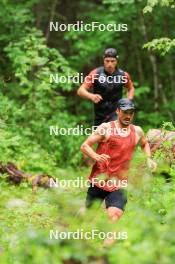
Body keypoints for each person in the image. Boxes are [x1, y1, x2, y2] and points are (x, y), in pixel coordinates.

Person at [80, 98, 157, 245]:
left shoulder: (137, 131)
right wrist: (96, 156)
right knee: (88, 215)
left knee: (114, 215)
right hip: (100, 179)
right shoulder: (106, 128)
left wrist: (148, 158)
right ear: (118, 111)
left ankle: (105, 252)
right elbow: (85, 146)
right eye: (125, 112)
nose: (128, 116)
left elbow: (145, 143)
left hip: (119, 183)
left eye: (131, 113)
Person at [77, 48, 134, 126]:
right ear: (103, 60)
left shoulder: (123, 75)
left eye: (112, 61)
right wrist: (91, 96)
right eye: (107, 61)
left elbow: (131, 88)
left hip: (116, 113)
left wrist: (128, 101)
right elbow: (80, 90)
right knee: (99, 136)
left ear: (116, 61)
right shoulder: (95, 73)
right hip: (100, 115)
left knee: (115, 135)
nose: (110, 64)